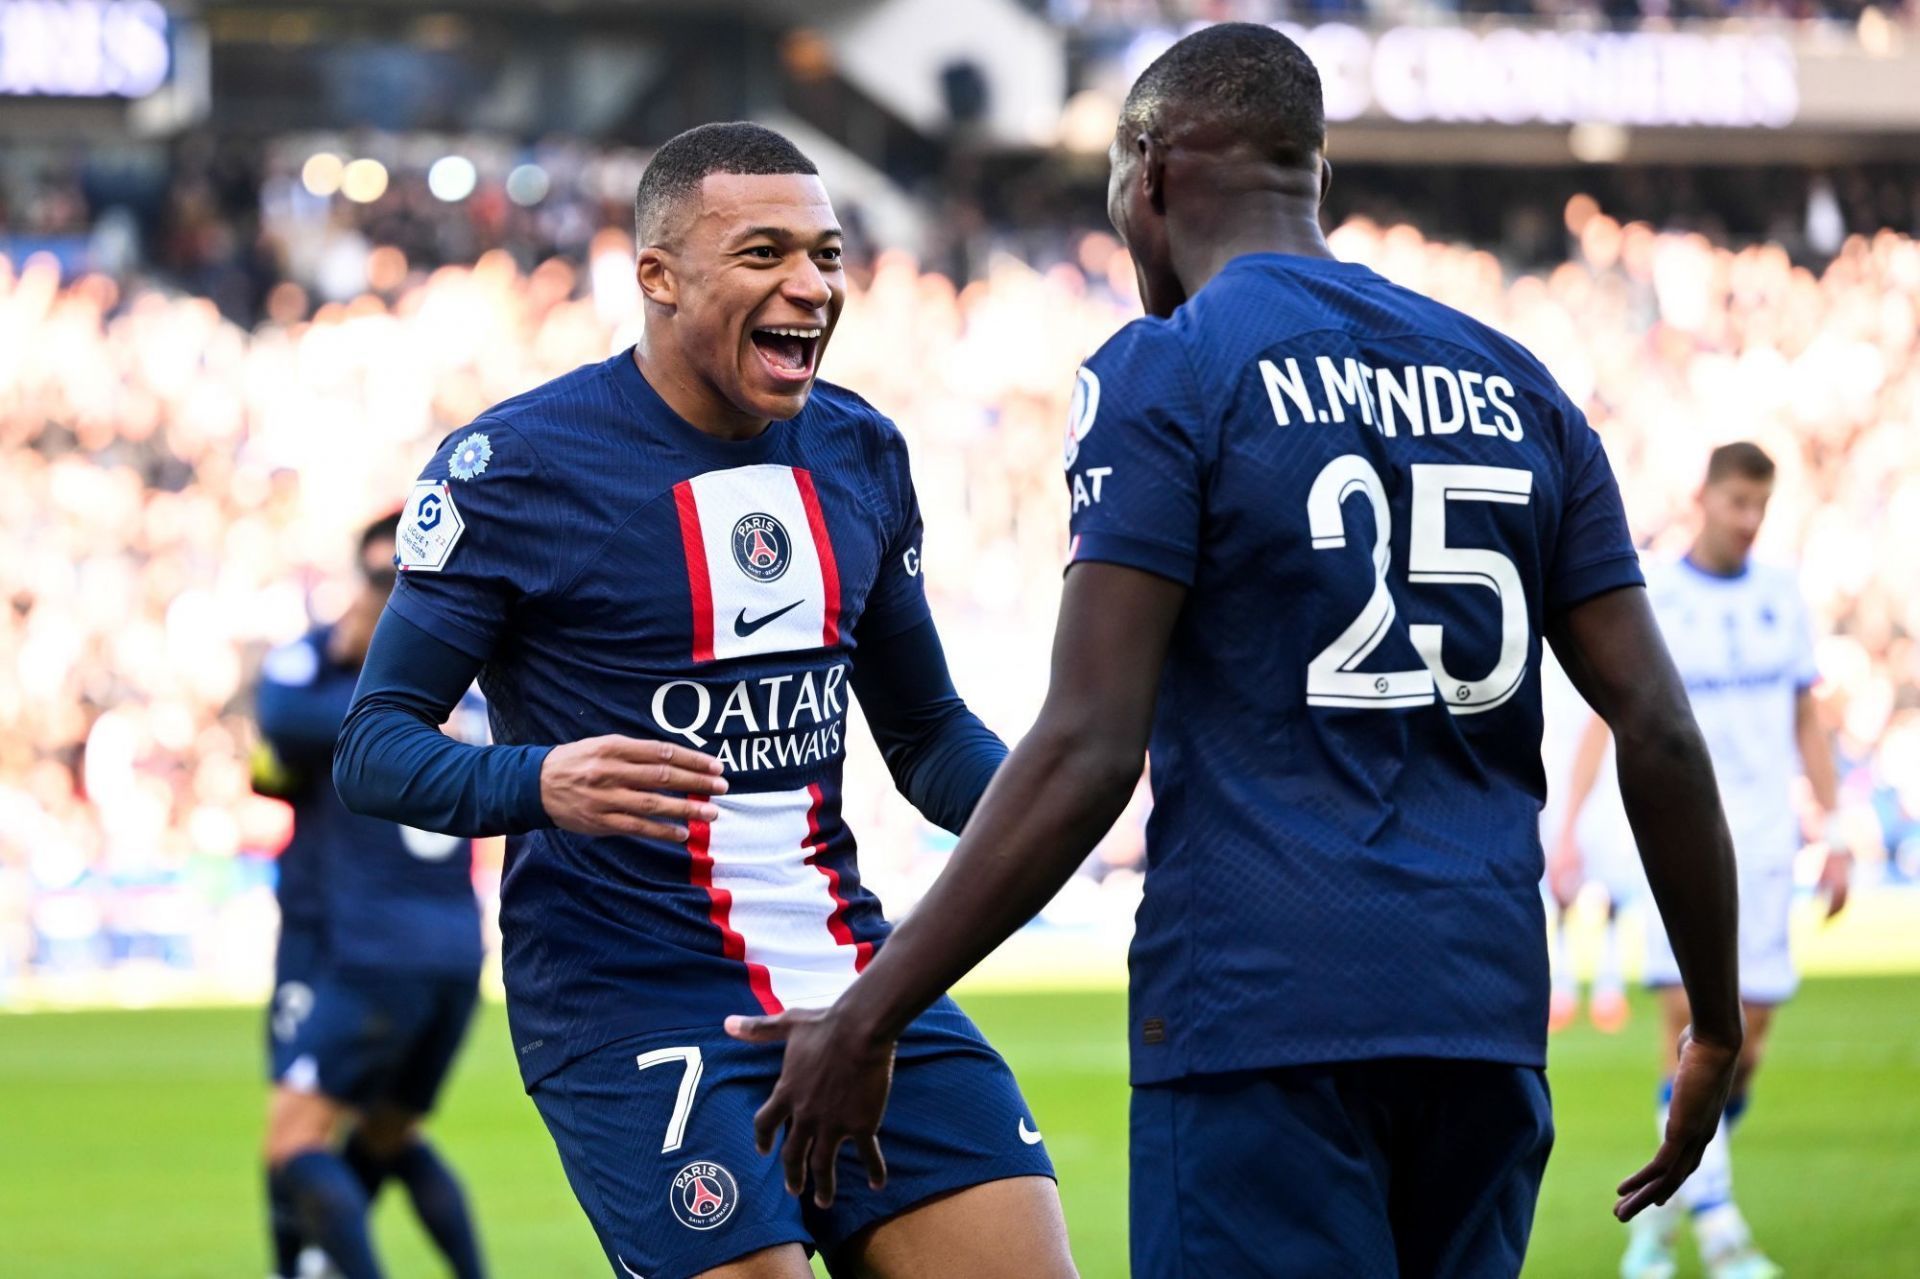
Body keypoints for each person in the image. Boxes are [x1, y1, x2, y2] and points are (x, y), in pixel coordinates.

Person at [726, 24, 1744, 1278]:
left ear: (1147, 170)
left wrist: (871, 1013)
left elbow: (1091, 743)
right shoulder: (1519, 382)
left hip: (1263, 1012)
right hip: (1482, 1018)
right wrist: (1708, 1018)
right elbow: (1658, 722)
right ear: (1314, 179)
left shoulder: (1170, 368)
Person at [332, 123, 1073, 1279]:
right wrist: (539, 780)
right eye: (765, 253)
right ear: (658, 276)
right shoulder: (517, 467)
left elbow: (926, 737)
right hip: (635, 998)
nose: (810, 287)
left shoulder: (862, 452)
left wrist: (1062, 800)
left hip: (859, 980)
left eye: (826, 256)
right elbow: (373, 747)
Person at [1558, 442, 1846, 1279]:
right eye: (1736, 503)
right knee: (1690, 1029)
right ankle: (1721, 1230)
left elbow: (1806, 718)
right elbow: (1606, 718)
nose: (1749, 520)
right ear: (1704, 498)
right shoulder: (1655, 596)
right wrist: (1571, 826)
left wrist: (1830, 827)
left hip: (1765, 847)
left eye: (1761, 505)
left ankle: (1659, 1218)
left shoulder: (1780, 596)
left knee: (1744, 1044)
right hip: (1678, 839)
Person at [252, 511, 488, 1279]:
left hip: (366, 947)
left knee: (292, 1140)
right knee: (391, 1135)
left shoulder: (357, 693)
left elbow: (280, 721)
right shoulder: (470, 688)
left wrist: (347, 658)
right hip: (455, 950)